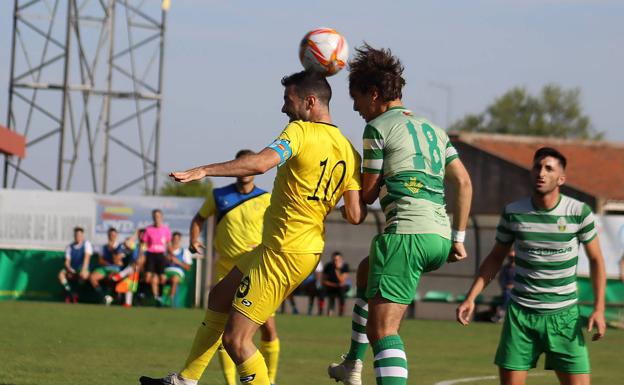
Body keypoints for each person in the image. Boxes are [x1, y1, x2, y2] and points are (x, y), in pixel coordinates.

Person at [139, 70, 366, 385]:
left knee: (236, 340)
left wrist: (205, 169)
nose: (283, 109)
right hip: (297, 249)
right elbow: (355, 214)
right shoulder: (349, 150)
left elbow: (260, 163)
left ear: (310, 102)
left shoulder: (300, 132)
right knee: (219, 296)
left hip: (283, 251)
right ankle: (186, 380)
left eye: (289, 101)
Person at [328, 44, 473, 385]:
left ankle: (359, 366)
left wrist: (347, 178)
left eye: (358, 98)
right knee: (366, 272)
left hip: (407, 233)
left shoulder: (377, 129)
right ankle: (352, 363)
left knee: (383, 332)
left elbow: (365, 197)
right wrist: (459, 238)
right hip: (438, 236)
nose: (356, 107)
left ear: (375, 94)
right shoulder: (435, 130)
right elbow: (464, 183)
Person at [456, 147, 607, 385]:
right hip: (521, 316)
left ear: (561, 179)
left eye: (549, 168)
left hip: (564, 317)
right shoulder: (514, 212)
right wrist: (471, 297)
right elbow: (495, 257)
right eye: (537, 166)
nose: (541, 172)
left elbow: (597, 260)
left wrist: (599, 309)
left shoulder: (578, 212)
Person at [188, 148, 276, 385]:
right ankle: (230, 381)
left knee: (268, 328)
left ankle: (271, 378)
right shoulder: (219, 196)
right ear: (236, 167)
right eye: (241, 163)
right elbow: (198, 219)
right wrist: (193, 239)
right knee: (224, 329)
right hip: (226, 268)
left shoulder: (266, 198)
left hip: (256, 269)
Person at [141, 209, 172, 306]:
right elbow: (144, 244)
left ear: (161, 217)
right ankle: (142, 295)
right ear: (153, 217)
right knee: (147, 277)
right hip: (150, 255)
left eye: (158, 216)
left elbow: (168, 244)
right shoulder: (148, 229)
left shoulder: (166, 229)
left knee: (162, 278)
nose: (156, 218)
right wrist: (141, 255)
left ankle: (159, 297)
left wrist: (170, 254)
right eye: (155, 216)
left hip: (161, 255)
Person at [90, 227, 124, 304]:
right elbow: (100, 260)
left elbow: (117, 261)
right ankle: (103, 296)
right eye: (110, 235)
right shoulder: (104, 247)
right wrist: (107, 263)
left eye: (113, 235)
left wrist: (113, 252)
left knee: (111, 277)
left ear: (116, 236)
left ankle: (114, 297)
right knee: (93, 277)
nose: (112, 237)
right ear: (108, 236)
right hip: (104, 268)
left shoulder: (119, 247)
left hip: (115, 269)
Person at [58, 226, 92, 303]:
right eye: (76, 235)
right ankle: (70, 293)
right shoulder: (69, 247)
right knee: (61, 275)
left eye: (80, 235)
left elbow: (86, 259)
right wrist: (70, 270)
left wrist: (83, 270)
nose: (78, 237)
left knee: (83, 275)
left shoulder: (86, 244)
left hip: (83, 269)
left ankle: (77, 294)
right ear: (74, 236)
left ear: (82, 236)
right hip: (72, 269)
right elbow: (67, 262)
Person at [164, 232, 192, 307]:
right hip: (166, 272)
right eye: (174, 239)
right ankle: (158, 300)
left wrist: (178, 262)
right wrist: (166, 259)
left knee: (174, 279)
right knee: (157, 278)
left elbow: (188, 267)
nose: (175, 241)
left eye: (177, 239)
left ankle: (171, 300)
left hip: (178, 273)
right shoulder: (166, 251)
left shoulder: (185, 252)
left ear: (180, 240)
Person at [321, 251, 350, 316]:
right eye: (334, 260)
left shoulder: (345, 266)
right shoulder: (328, 266)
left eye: (337, 260)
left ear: (341, 260)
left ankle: (341, 313)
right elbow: (324, 281)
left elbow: (342, 281)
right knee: (322, 291)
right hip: (330, 286)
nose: (335, 262)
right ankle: (320, 311)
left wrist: (337, 269)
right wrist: (334, 285)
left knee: (341, 290)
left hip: (341, 287)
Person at [491, 250, 516, 322]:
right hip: (507, 290)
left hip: (518, 289)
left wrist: (514, 285)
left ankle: (501, 311)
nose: (512, 259)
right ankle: (502, 313)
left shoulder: (520, 268)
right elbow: (501, 280)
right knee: (508, 294)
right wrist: (506, 286)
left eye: (513, 257)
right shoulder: (505, 268)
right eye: (510, 257)